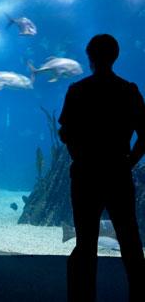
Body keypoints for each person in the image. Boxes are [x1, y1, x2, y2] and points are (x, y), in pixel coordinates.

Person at [59, 34, 145, 302]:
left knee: (85, 243)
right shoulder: (128, 90)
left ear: (89, 57)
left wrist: (79, 153)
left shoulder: (78, 90)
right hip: (118, 171)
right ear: (115, 56)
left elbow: (65, 132)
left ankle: (83, 298)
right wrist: (129, 160)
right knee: (130, 240)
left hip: (85, 173)